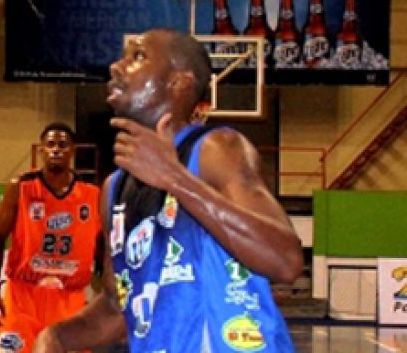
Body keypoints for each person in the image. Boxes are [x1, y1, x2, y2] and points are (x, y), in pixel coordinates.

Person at [33, 29, 304, 353]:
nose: (116, 66)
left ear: (179, 83)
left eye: (138, 56)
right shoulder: (113, 189)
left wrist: (176, 180)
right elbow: (117, 307)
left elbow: (286, 260)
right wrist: (58, 336)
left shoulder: (217, 149)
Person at [0, 123, 101, 352]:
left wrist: (108, 294)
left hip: (69, 299)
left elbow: (103, 250)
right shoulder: (21, 188)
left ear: (72, 150)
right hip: (23, 297)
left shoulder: (91, 194)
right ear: (41, 150)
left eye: (62, 145)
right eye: (50, 144)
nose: (56, 150)